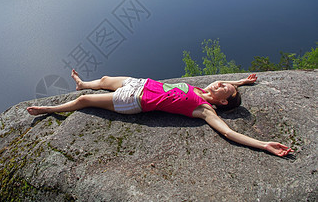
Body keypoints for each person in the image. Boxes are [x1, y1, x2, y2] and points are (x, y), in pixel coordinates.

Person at [27, 70, 292, 157]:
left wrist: (263, 144)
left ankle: (49, 110)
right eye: (223, 82)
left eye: (225, 87)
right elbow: (227, 87)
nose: (220, 83)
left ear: (223, 103)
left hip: (135, 99)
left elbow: (228, 132)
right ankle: (82, 82)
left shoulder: (204, 109)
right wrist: (243, 82)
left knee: (86, 101)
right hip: (140, 83)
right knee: (104, 78)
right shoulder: (202, 90)